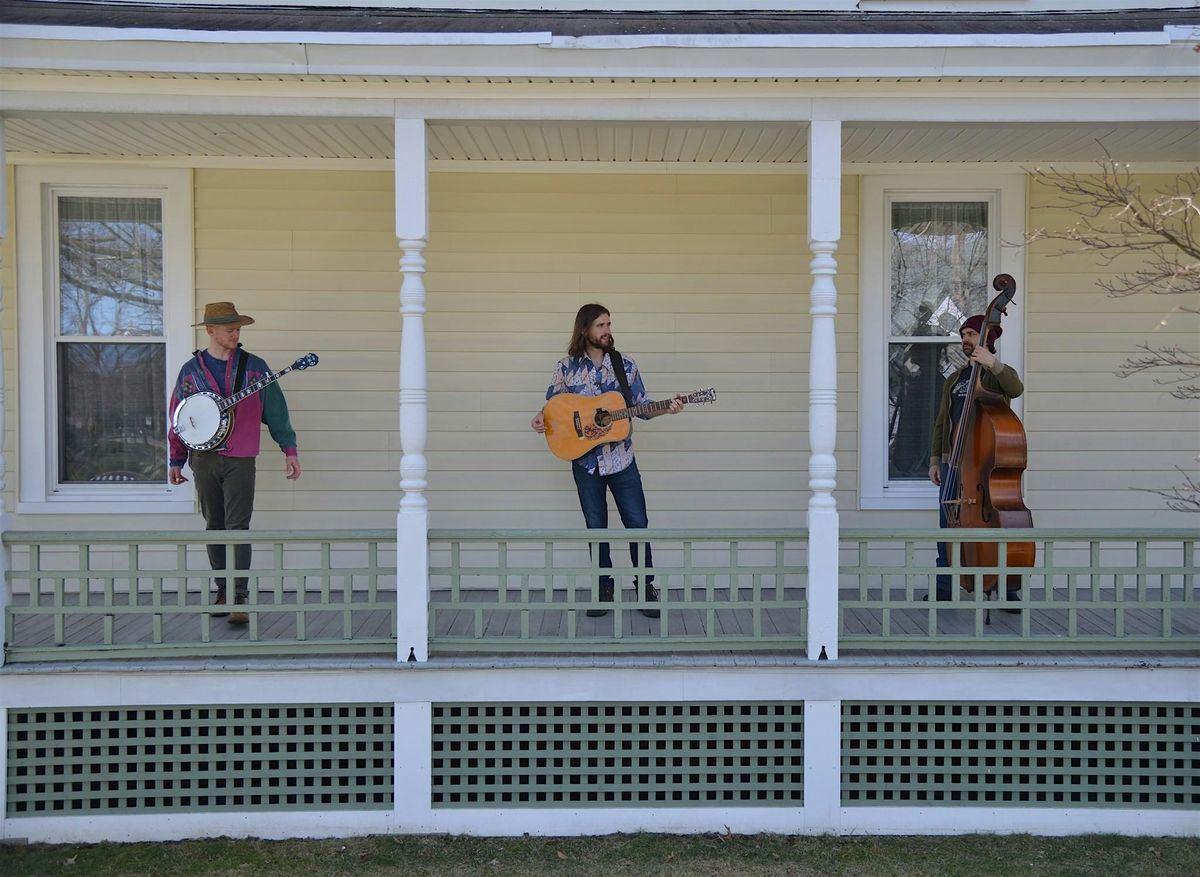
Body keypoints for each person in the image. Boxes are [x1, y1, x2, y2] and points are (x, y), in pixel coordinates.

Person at [530, 304, 682, 618]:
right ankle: (603, 588)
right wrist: (540, 419)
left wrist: (667, 407)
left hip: (622, 460)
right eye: (601, 325)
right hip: (586, 462)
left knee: (637, 525)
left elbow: (642, 406)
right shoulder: (566, 368)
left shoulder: (625, 365)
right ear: (585, 329)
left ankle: (644, 587)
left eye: (609, 324)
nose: (607, 331)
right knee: (596, 528)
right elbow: (553, 410)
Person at [168, 302, 301, 625]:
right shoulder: (191, 371)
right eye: (229, 329)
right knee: (214, 525)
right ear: (210, 331)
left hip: (241, 456)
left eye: (238, 329)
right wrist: (176, 458)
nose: (235, 334)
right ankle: (222, 590)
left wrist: (289, 448)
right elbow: (179, 417)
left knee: (237, 527)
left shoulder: (255, 368)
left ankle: (239, 595)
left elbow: (276, 410)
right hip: (203, 459)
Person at [927, 314, 1024, 604]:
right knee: (948, 525)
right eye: (964, 334)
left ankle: (1005, 587)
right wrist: (935, 459)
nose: (965, 339)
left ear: (986, 338)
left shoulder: (995, 375)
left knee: (999, 523)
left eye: (971, 333)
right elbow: (943, 422)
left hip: (984, 466)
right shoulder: (955, 379)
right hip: (953, 462)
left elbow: (1016, 389)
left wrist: (992, 363)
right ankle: (944, 587)